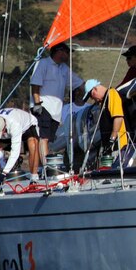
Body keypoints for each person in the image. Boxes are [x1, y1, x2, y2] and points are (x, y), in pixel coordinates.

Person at [30, 42, 84, 174]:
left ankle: (47, 167)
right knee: (43, 138)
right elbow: (35, 84)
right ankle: (48, 169)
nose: (68, 55)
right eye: (66, 52)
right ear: (59, 51)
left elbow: (79, 83)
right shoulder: (43, 63)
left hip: (56, 112)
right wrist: (37, 104)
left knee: (48, 140)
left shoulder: (64, 68)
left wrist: (89, 93)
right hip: (43, 107)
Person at [0, 108, 40, 197]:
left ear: (3, 129)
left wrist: (4, 173)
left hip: (27, 126)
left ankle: (34, 178)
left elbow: (15, 153)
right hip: (7, 133)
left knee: (33, 144)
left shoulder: (15, 125)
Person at [84, 79, 130, 153]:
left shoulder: (111, 94)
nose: (92, 99)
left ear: (95, 89)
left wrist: (112, 139)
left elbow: (118, 118)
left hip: (119, 145)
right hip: (111, 146)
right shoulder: (104, 100)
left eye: (91, 95)